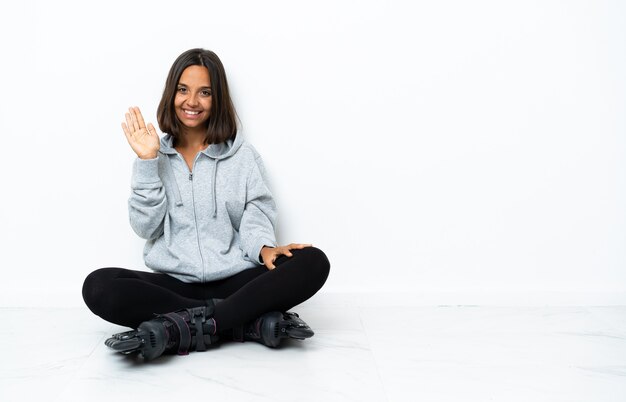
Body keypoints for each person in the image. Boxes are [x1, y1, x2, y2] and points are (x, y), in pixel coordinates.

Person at [82, 48, 330, 361]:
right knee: (99, 286)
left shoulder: (242, 157)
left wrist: (264, 248)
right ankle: (243, 323)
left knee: (313, 261)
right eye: (183, 90)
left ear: (217, 99)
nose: (192, 102)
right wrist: (147, 161)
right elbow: (145, 227)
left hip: (237, 282)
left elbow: (256, 212)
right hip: (175, 287)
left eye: (205, 93)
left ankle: (187, 327)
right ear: (171, 94)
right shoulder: (153, 157)